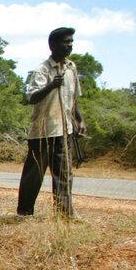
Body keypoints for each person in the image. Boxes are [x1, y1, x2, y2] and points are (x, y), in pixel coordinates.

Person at [16, 26, 86, 218]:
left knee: (64, 174)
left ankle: (65, 215)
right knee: (34, 175)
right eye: (66, 42)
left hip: (65, 130)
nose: (70, 46)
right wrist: (51, 85)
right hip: (43, 131)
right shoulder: (42, 70)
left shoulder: (71, 68)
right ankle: (24, 213)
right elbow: (32, 97)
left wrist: (79, 119)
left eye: (71, 42)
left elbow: (73, 99)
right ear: (53, 45)